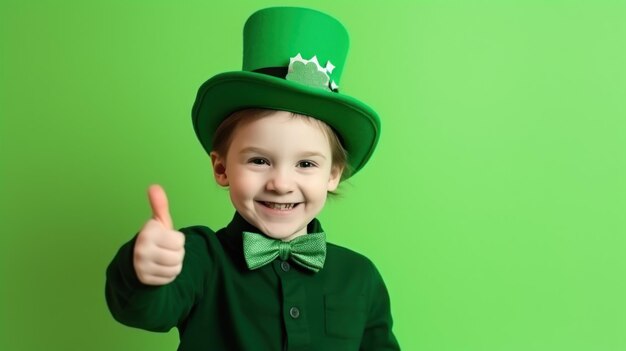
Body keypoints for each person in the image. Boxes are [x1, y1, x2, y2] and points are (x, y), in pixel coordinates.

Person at [105, 6, 400, 351]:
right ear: (221, 168)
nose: (281, 183)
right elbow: (142, 311)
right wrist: (145, 269)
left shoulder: (359, 276)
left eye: (305, 164)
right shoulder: (199, 257)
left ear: (333, 175)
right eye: (260, 160)